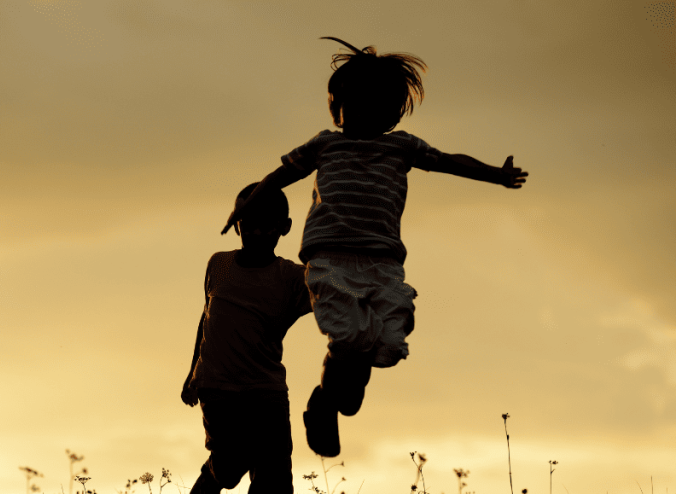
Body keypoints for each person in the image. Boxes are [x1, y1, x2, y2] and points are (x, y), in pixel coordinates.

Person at [221, 37, 529, 458]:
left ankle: (335, 398)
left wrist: (495, 174)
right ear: (337, 107)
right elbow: (276, 178)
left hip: (384, 262)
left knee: (388, 341)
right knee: (349, 338)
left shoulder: (401, 146)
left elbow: (449, 161)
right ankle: (323, 406)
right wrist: (246, 208)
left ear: (389, 112)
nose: (358, 113)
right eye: (348, 104)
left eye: (372, 105)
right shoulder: (325, 145)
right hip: (331, 259)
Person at [181, 183, 313, 494]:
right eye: (249, 224)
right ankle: (213, 476)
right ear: (236, 224)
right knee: (231, 458)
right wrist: (192, 371)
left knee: (273, 464)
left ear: (284, 228)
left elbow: (332, 297)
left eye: (268, 226)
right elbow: (207, 318)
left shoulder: (292, 278)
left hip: (266, 389)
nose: (257, 233)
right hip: (217, 385)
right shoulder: (218, 264)